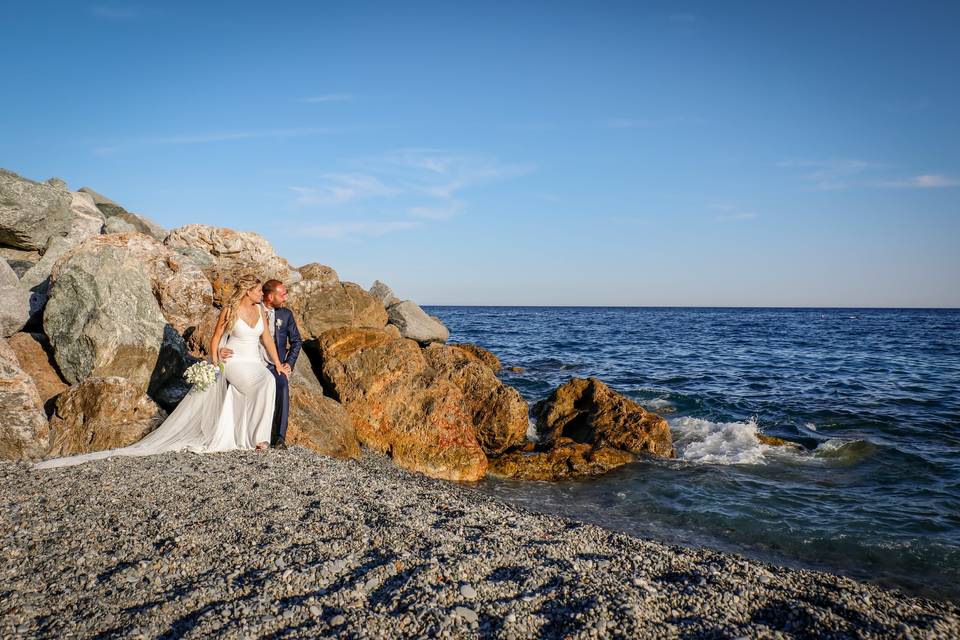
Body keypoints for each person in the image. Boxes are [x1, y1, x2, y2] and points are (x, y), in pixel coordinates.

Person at [35, 275, 289, 469]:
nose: (261, 294)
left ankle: (257, 438)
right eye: (258, 290)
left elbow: (266, 340)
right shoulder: (230, 311)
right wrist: (217, 358)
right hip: (233, 361)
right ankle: (250, 438)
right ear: (248, 291)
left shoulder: (259, 312)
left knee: (267, 380)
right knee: (254, 386)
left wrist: (277, 364)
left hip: (254, 361)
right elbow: (215, 339)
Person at [258, 279, 302, 449]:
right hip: (254, 361)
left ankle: (279, 437)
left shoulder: (286, 314)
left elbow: (297, 342)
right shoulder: (255, 310)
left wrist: (288, 364)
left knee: (282, 384)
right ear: (270, 296)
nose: (286, 298)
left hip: (276, 364)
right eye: (282, 294)